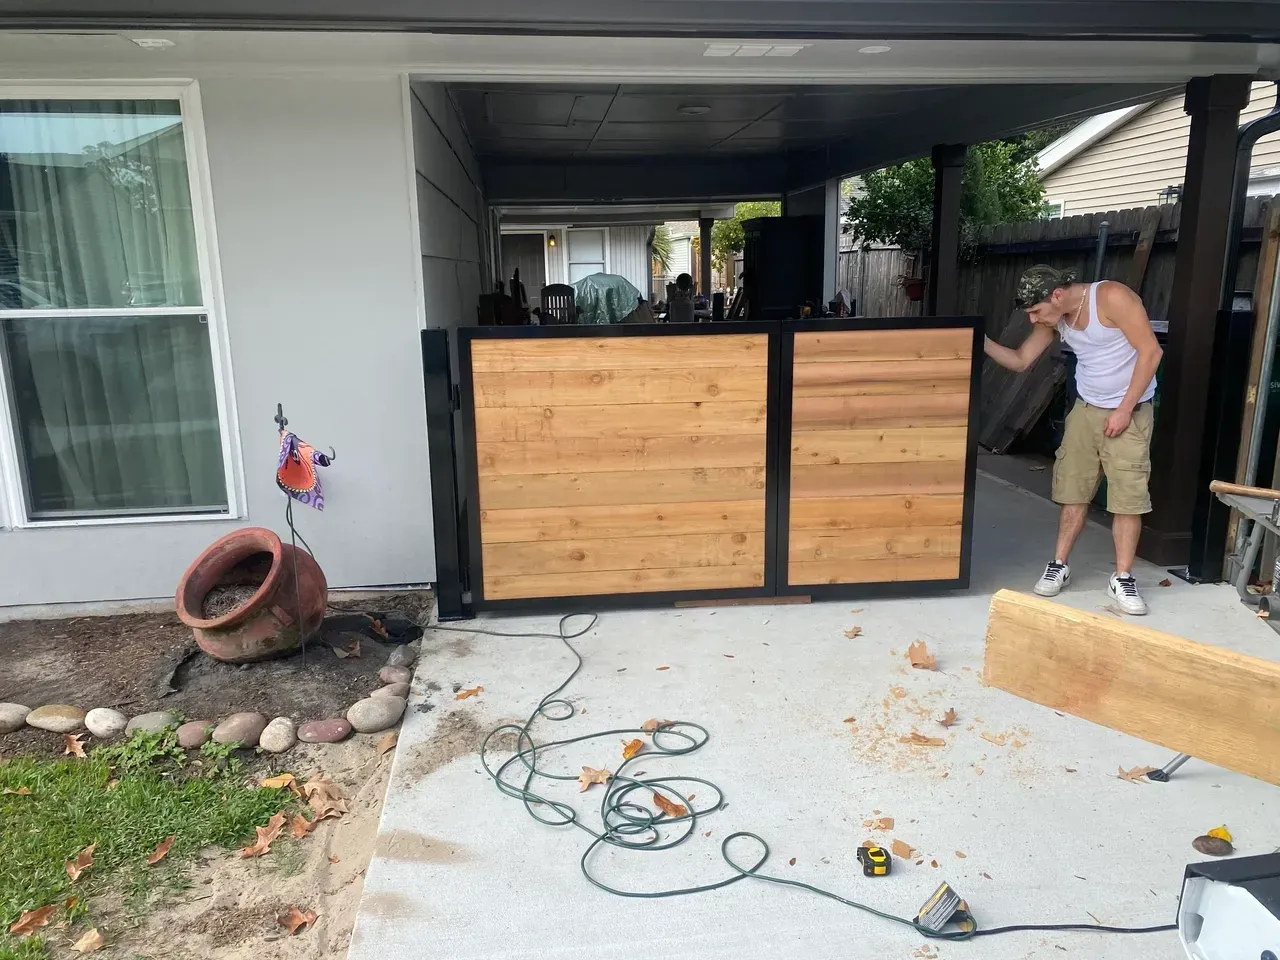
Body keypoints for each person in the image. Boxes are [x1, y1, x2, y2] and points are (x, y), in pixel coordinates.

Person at [983, 265, 1163, 615]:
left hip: (1129, 411)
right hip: (1087, 409)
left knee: (1128, 496)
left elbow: (1151, 352)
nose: (1034, 318)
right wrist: (981, 341)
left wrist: (1125, 409)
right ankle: (1059, 565)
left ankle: (1123, 577)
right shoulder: (1057, 319)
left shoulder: (1111, 297)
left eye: (1036, 310)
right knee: (1073, 490)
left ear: (1057, 295)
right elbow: (1020, 361)